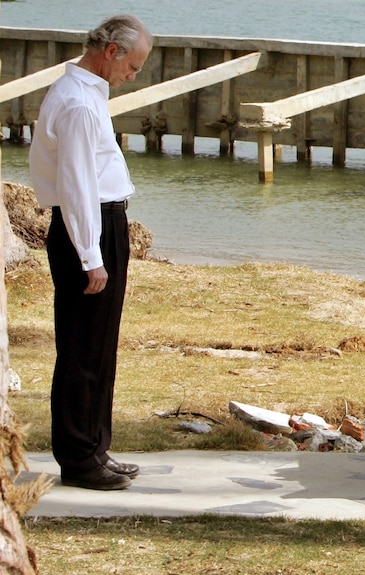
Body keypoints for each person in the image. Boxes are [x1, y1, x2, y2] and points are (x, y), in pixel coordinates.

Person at [29, 15, 153, 490]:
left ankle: (95, 447)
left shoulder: (83, 93)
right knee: (83, 347)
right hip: (91, 226)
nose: (132, 76)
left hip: (101, 222)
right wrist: (90, 254)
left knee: (98, 345)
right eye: (134, 66)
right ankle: (80, 457)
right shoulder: (79, 103)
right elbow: (76, 185)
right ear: (111, 52)